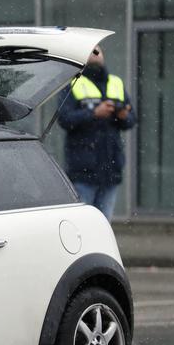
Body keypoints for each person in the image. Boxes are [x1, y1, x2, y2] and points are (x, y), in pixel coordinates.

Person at [57, 45, 136, 220]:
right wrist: (93, 113)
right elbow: (64, 119)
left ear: (104, 55)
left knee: (104, 225)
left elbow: (132, 119)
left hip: (111, 169)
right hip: (83, 171)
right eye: (90, 51)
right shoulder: (73, 83)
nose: (95, 54)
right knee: (83, 226)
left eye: (98, 50)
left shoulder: (116, 82)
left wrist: (122, 115)